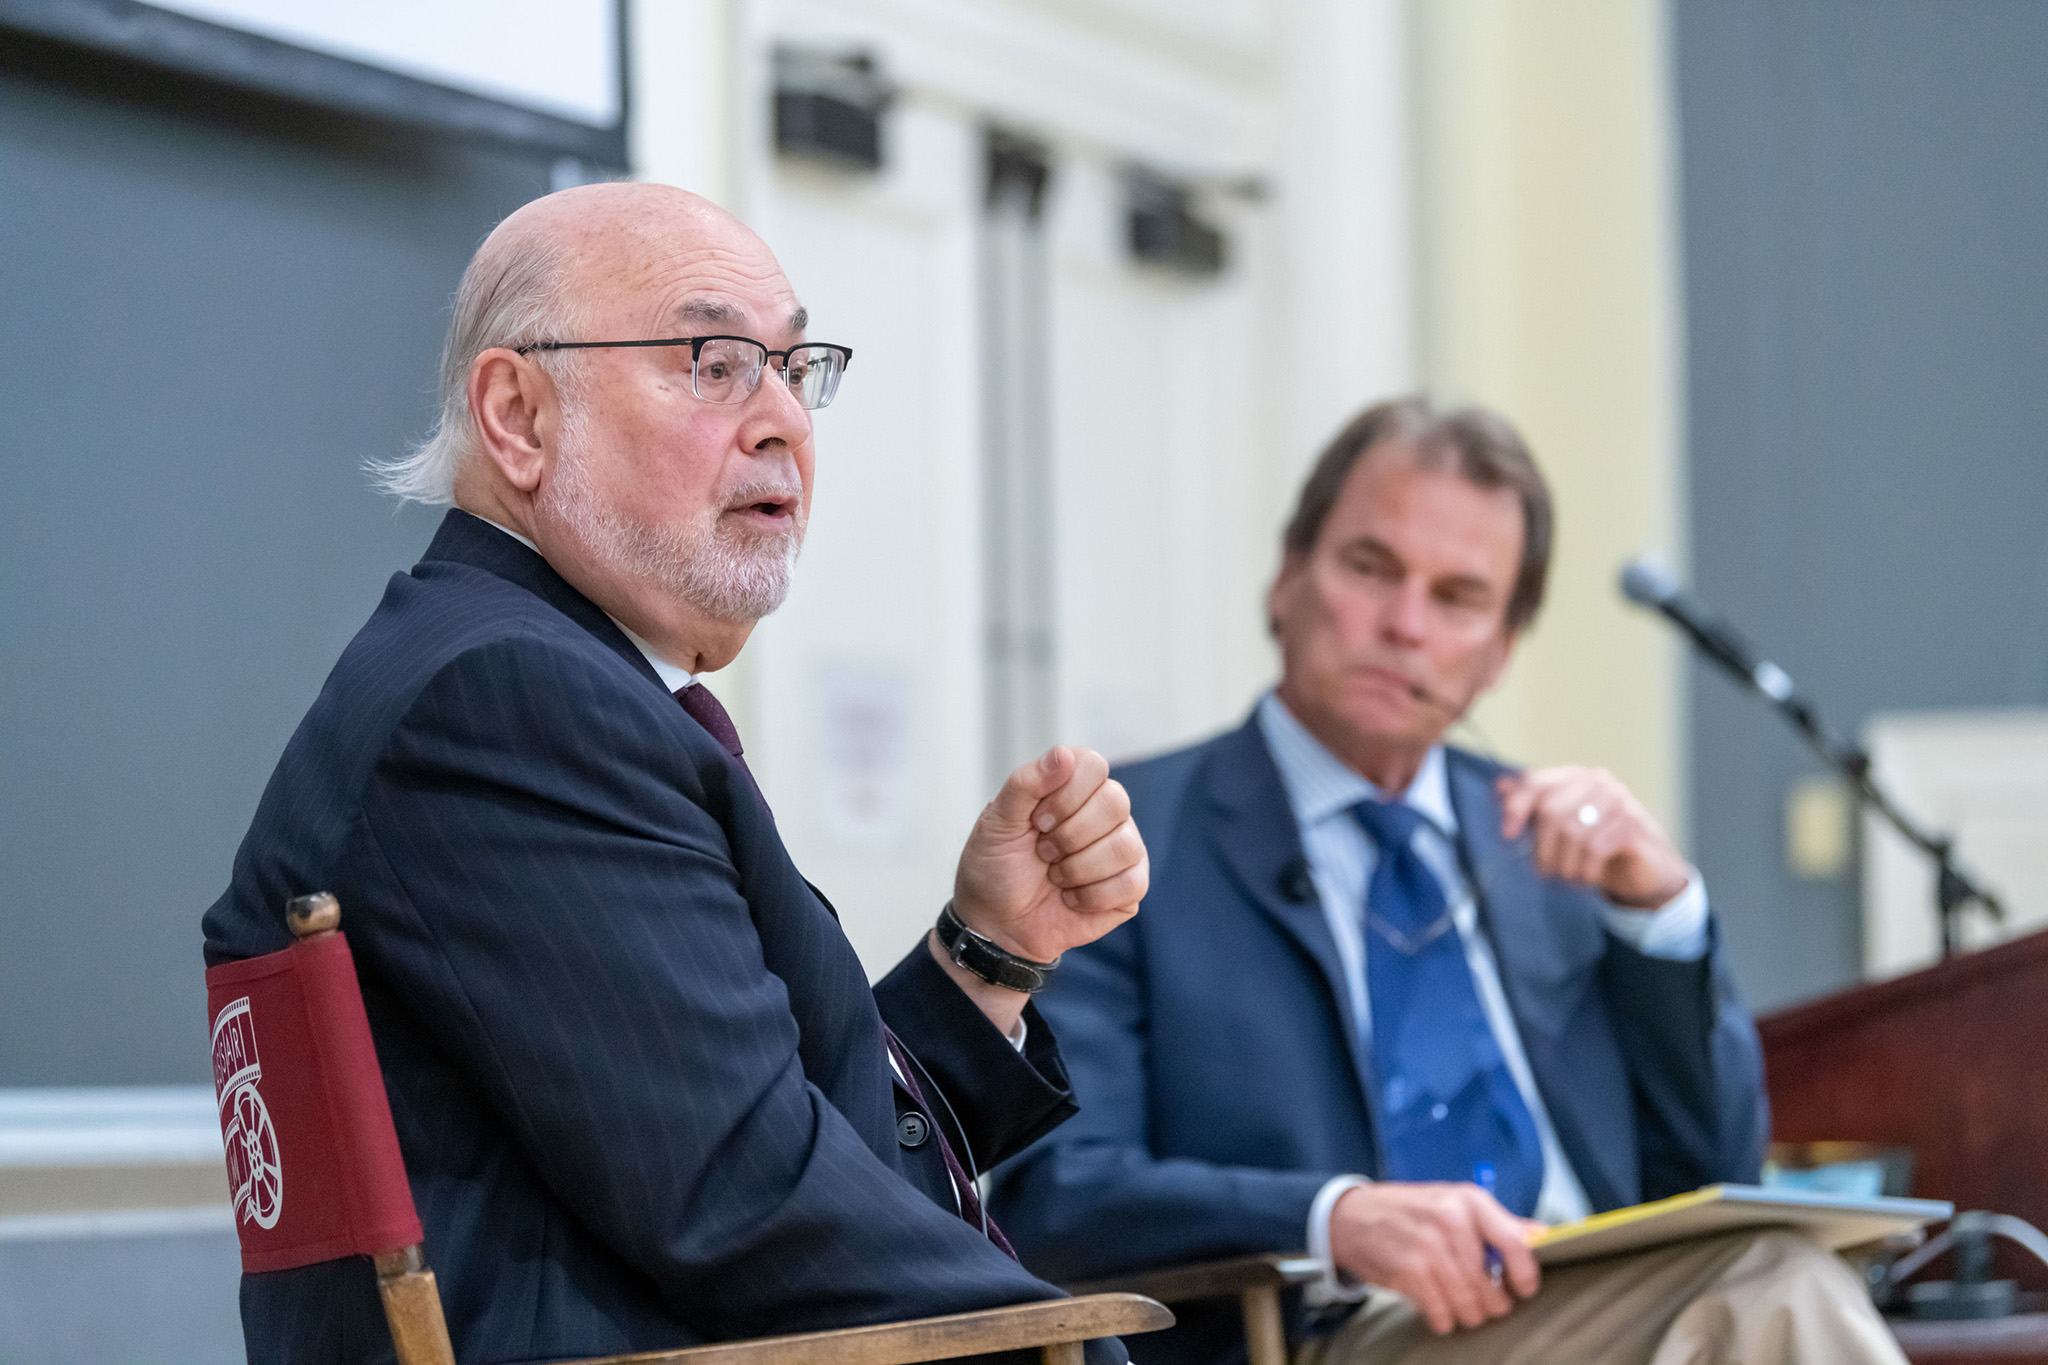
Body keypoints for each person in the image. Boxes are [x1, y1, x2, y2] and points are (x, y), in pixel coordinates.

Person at [201, 183, 1149, 1364]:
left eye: (794, 370)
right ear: (519, 416)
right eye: (711, 364)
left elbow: (777, 1146)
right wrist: (1080, 1351)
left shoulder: (544, 679)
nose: (782, 423)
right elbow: (751, 1207)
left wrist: (986, 954)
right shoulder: (505, 704)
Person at [989, 399, 1907, 1365]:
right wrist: (1332, 1216)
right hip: (1335, 1330)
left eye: (1459, 596)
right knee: (1783, 1289)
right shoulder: (1121, 837)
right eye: (1370, 568)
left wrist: (1662, 918)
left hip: (1611, 1300)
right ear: (1286, 581)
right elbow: (1052, 1193)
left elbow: (1713, 1172)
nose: (1404, 625)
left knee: (1777, 1275)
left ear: (1502, 650)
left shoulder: (1553, 850)